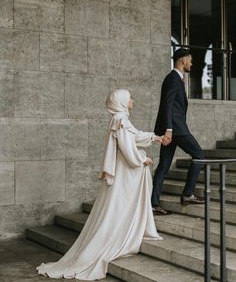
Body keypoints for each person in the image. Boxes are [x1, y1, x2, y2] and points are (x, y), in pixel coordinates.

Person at [37, 89, 163, 280]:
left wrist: (155, 138)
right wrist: (142, 160)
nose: (133, 101)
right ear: (121, 101)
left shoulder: (120, 119)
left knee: (117, 204)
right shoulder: (120, 119)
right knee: (119, 204)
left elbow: (133, 136)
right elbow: (127, 148)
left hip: (122, 169)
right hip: (124, 170)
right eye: (130, 98)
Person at [152, 48, 205, 216]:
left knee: (163, 166)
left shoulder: (175, 79)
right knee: (199, 155)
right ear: (183, 61)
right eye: (190, 60)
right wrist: (169, 129)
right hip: (175, 129)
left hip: (172, 128)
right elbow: (167, 105)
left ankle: (153, 204)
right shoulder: (173, 78)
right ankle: (188, 194)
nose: (191, 63)